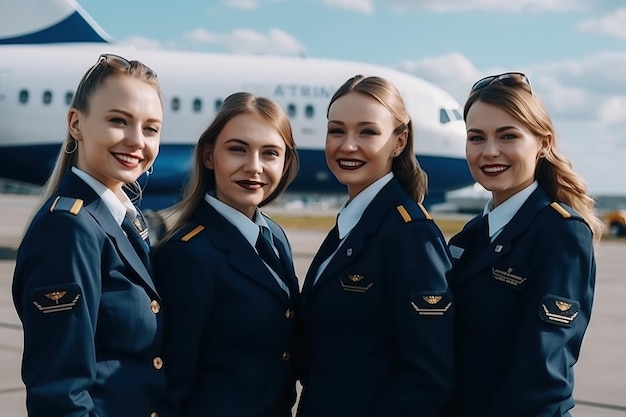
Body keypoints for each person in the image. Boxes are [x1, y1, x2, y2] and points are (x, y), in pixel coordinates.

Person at [12, 54, 167, 417]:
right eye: (118, 121)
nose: (136, 141)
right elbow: (60, 396)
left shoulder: (124, 220)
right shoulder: (69, 230)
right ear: (76, 123)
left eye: (151, 128)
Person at [447, 72, 604, 416]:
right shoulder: (471, 236)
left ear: (543, 143)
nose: (489, 151)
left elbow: (542, 377)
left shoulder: (561, 234)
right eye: (477, 137)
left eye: (508, 136)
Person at [297, 75, 455, 417]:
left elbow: (428, 376)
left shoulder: (411, 235)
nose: (347, 145)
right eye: (336, 130)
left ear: (399, 142)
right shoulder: (353, 224)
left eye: (367, 132)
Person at [152, 92, 300, 417]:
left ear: (285, 163)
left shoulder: (274, 237)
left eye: (270, 153)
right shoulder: (188, 254)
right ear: (209, 156)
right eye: (238, 149)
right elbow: (172, 382)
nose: (254, 166)